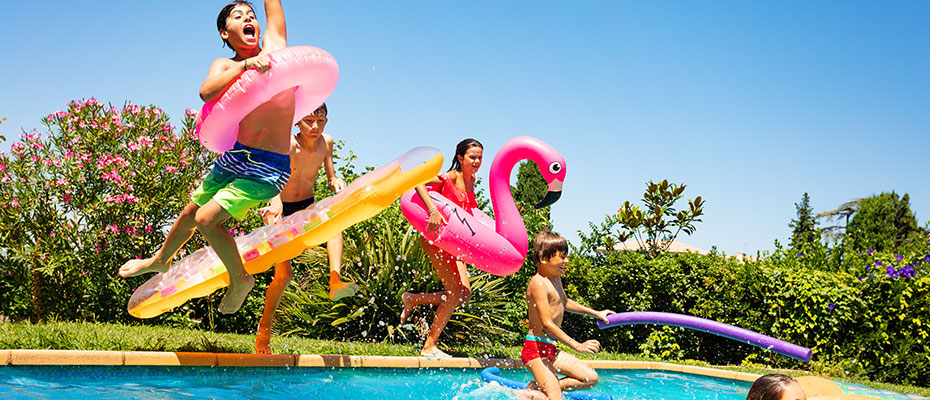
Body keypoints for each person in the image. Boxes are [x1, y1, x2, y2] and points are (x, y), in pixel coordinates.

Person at [119, 0, 294, 315]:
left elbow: (274, 9)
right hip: (234, 159)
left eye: (251, 16)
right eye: (238, 17)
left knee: (205, 220)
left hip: (267, 166)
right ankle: (160, 260)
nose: (248, 19)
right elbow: (206, 92)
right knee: (189, 215)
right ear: (225, 33)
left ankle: (240, 278)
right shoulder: (226, 66)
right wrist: (243, 67)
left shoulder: (276, 50)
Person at [254, 104, 357, 354]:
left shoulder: (326, 143)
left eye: (320, 121)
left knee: (334, 223)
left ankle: (335, 280)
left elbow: (331, 177)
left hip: (305, 206)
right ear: (297, 122)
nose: (315, 126)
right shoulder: (288, 145)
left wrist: (337, 182)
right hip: (279, 207)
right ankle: (263, 336)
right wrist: (275, 201)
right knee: (283, 276)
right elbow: (271, 177)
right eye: (309, 120)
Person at [399, 138, 484, 358]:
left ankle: (413, 299)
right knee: (455, 292)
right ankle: (429, 347)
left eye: (480, 158)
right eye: (472, 157)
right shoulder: (450, 177)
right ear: (460, 158)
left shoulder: (471, 180)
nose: (476, 161)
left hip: (456, 242)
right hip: (437, 238)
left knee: (464, 294)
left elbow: (468, 212)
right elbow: (417, 181)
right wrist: (433, 211)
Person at [521, 229, 615, 400]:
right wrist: (577, 345)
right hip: (535, 349)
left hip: (550, 348)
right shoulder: (538, 283)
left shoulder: (555, 278)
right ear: (544, 259)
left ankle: (539, 389)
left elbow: (564, 302)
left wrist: (596, 313)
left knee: (590, 378)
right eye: (562, 257)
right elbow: (546, 324)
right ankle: (516, 395)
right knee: (555, 398)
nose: (567, 260)